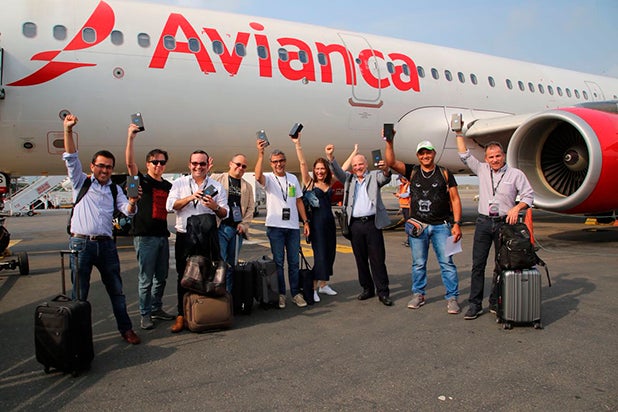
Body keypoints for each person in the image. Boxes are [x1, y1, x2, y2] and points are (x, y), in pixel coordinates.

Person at [62, 114, 141, 345]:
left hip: (106, 245)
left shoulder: (115, 190)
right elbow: (71, 158)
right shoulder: (81, 182)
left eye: (108, 167)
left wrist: (133, 202)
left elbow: (127, 211)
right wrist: (68, 130)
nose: (105, 170)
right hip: (81, 244)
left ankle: (126, 329)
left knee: (116, 291)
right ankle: (77, 337)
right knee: (79, 294)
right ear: (92, 166)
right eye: (101, 166)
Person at [455, 125, 534, 320]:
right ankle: (475, 304)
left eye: (498, 156)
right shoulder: (482, 169)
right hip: (483, 223)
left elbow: (528, 195)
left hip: (504, 224)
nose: (495, 160)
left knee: (502, 264)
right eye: (491, 157)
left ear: (503, 156)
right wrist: (458, 134)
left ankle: (495, 301)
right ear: (486, 159)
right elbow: (464, 155)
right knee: (478, 265)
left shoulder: (516, 174)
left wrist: (517, 208)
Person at [385, 137, 463, 314]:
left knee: (447, 263)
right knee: (418, 263)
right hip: (418, 226)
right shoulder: (412, 171)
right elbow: (391, 162)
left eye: (428, 152)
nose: (425, 156)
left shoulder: (444, 173)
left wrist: (457, 223)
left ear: (434, 153)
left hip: (441, 226)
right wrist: (389, 142)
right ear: (418, 156)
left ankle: (452, 297)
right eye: (422, 153)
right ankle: (418, 294)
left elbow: (455, 199)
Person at [166, 151, 229, 332]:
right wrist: (190, 197)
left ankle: (204, 311)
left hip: (207, 237)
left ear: (208, 165)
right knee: (183, 276)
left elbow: (225, 213)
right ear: (189, 164)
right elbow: (170, 206)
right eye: (195, 163)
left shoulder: (216, 186)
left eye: (202, 163)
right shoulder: (179, 183)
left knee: (208, 274)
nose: (198, 167)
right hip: (185, 236)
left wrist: (215, 207)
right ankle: (181, 314)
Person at [326, 144, 394, 306]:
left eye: (360, 164)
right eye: (355, 165)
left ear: (366, 165)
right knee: (361, 260)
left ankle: (383, 292)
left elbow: (385, 177)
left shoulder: (374, 176)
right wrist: (330, 157)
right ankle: (367, 289)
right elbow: (338, 172)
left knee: (378, 260)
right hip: (355, 225)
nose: (358, 167)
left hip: (372, 224)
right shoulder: (349, 179)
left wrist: (385, 169)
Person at [125, 124, 174, 330]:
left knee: (161, 277)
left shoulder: (168, 186)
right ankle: (145, 314)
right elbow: (129, 164)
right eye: (155, 162)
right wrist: (131, 138)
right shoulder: (142, 181)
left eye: (162, 162)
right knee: (146, 279)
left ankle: (156, 308)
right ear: (148, 164)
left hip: (162, 236)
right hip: (145, 237)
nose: (158, 165)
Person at [255, 140, 310, 309]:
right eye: (275, 162)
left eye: (281, 161)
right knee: (278, 262)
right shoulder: (269, 179)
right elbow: (257, 176)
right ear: (271, 164)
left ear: (285, 161)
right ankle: (280, 294)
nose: (278, 164)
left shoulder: (292, 178)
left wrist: (305, 221)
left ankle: (295, 293)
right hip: (276, 228)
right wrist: (261, 154)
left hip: (292, 227)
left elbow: (299, 201)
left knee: (293, 262)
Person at [292, 134, 337, 303]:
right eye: (317, 169)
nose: (319, 171)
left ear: (326, 170)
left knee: (330, 254)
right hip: (316, 225)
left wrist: (353, 153)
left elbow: (342, 170)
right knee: (321, 256)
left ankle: (324, 284)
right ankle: (313, 287)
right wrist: (298, 144)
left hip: (330, 224)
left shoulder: (329, 183)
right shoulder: (310, 183)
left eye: (322, 169)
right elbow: (303, 164)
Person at [210, 154, 255, 292]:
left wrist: (244, 224)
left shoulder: (247, 186)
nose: (240, 168)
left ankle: (228, 295)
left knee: (232, 265)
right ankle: (218, 294)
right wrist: (206, 175)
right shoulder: (217, 179)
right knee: (220, 264)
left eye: (244, 166)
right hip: (220, 228)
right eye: (238, 164)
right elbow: (205, 193)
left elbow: (250, 208)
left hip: (236, 231)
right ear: (230, 163)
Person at [394, 176, 411, 246]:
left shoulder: (409, 185)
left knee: (409, 224)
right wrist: (400, 209)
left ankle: (410, 240)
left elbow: (409, 194)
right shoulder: (403, 186)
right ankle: (409, 240)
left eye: (401, 179)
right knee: (407, 224)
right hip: (404, 207)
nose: (400, 181)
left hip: (408, 207)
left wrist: (400, 195)